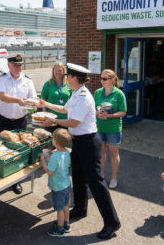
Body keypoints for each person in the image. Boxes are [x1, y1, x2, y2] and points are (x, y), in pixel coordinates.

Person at [40, 63, 121, 240]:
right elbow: (64, 110)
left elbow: (73, 122)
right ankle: (80, 208)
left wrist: (52, 122)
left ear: (75, 79)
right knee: (78, 177)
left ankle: (111, 221)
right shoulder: (76, 93)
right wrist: (45, 103)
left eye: (68, 76)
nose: (66, 78)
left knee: (96, 183)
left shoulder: (84, 96)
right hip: (78, 141)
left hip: (89, 142)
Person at [0, 53, 37, 194]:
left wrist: (32, 103)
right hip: (3, 122)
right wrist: (18, 100)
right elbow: (2, 96)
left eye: (19, 65)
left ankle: (16, 181)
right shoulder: (2, 79)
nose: (18, 67)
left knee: (19, 153)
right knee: (0, 152)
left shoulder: (27, 80)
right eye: (15, 65)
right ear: (9, 65)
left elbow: (33, 98)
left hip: (20, 122)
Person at [94, 69, 126, 189]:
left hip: (113, 129)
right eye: (101, 78)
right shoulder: (97, 92)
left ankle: (114, 178)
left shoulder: (119, 94)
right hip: (100, 127)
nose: (102, 81)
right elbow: (92, 108)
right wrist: (98, 114)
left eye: (105, 79)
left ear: (112, 80)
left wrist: (109, 115)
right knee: (101, 153)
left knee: (113, 153)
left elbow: (123, 112)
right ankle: (101, 175)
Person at [40, 128, 72, 237]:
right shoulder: (66, 151)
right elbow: (60, 159)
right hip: (67, 184)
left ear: (55, 142)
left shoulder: (54, 158)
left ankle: (60, 230)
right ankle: (66, 225)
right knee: (66, 206)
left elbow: (49, 171)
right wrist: (52, 154)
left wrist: (43, 161)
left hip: (58, 187)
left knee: (59, 209)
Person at [41, 62, 73, 133]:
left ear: (63, 72)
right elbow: (43, 99)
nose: (58, 72)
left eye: (60, 70)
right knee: (50, 141)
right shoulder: (48, 84)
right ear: (53, 71)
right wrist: (44, 112)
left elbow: (73, 99)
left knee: (63, 141)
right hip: (50, 118)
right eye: (56, 70)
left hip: (65, 119)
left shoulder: (69, 84)